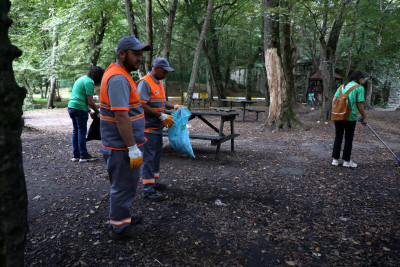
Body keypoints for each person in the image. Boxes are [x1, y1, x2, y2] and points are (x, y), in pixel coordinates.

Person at [99, 36, 151, 240]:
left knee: (126, 185)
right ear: (122, 54)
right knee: (122, 186)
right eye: (135, 53)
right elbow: (121, 116)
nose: (139, 58)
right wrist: (132, 147)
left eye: (140, 54)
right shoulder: (118, 78)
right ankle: (119, 229)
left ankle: (123, 217)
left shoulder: (121, 74)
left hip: (122, 146)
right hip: (121, 147)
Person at [137, 57, 184, 202]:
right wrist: (161, 115)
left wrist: (174, 106)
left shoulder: (158, 83)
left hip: (157, 128)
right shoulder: (145, 83)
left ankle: (153, 183)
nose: (166, 75)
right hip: (147, 129)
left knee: (156, 157)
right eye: (164, 72)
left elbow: (162, 101)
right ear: (156, 69)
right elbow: (141, 105)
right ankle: (147, 190)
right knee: (148, 159)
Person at [331, 70, 367, 168]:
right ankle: (347, 161)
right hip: (350, 117)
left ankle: (335, 160)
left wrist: (336, 112)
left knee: (338, 137)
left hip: (338, 116)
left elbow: (333, 100)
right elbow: (360, 104)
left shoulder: (342, 86)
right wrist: (364, 117)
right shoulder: (359, 88)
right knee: (348, 138)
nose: (362, 81)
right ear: (360, 78)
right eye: (362, 79)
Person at [68, 66, 104, 162]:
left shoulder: (82, 79)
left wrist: (89, 111)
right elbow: (90, 101)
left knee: (76, 131)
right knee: (81, 132)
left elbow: (81, 97)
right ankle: (83, 155)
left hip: (71, 107)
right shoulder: (89, 82)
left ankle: (76, 155)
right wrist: (98, 112)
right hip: (79, 109)